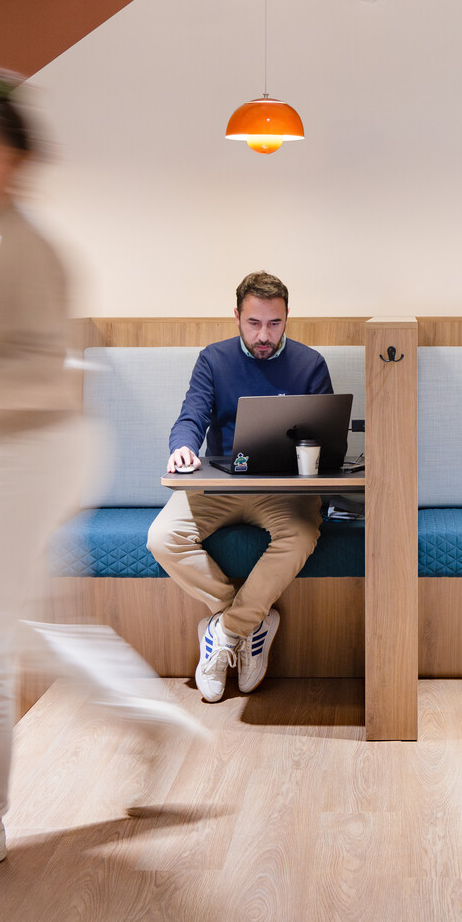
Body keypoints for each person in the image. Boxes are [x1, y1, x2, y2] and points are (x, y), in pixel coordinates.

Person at [0, 71, 203, 889]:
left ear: (17, 160)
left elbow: (48, 375)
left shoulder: (34, 249)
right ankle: (150, 717)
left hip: (32, 456)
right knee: (12, 628)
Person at [150, 271, 332, 703]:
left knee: (302, 534)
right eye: (254, 323)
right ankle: (252, 622)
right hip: (221, 486)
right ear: (236, 316)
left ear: (287, 317)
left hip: (284, 492)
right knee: (162, 537)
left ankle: (226, 631)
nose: (264, 335)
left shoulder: (310, 364)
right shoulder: (213, 360)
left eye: (274, 323)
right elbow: (192, 415)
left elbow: (325, 435)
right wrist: (182, 447)